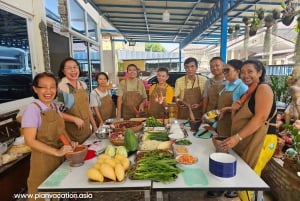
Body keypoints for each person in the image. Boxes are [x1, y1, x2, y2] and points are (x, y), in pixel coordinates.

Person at [222, 60, 277, 201]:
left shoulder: (263, 88)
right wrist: (229, 109)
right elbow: (250, 113)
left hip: (263, 140)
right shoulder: (250, 91)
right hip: (251, 138)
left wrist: (237, 138)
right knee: (248, 182)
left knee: (247, 182)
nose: (246, 75)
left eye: (250, 71)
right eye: (243, 72)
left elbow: (261, 117)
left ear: (260, 72)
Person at [22, 72, 74, 201]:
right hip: (42, 161)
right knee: (41, 196)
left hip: (58, 160)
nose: (48, 91)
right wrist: (56, 151)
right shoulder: (32, 109)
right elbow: (29, 140)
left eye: (52, 87)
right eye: (43, 87)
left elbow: (60, 131)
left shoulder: (54, 107)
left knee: (55, 195)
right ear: (35, 89)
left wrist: (69, 143)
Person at [57, 57, 97, 144]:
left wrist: (94, 125)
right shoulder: (62, 87)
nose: (73, 70)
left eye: (75, 67)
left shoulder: (82, 85)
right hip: (72, 132)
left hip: (86, 129)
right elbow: (55, 112)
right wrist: (74, 119)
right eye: (69, 68)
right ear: (63, 71)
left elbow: (87, 107)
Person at [217, 59, 248, 137]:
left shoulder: (243, 87)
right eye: (224, 70)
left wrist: (228, 109)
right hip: (221, 124)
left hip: (232, 124)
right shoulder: (227, 85)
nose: (225, 73)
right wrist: (214, 126)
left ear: (237, 71)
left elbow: (244, 109)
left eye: (227, 70)